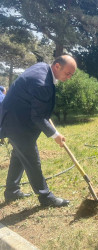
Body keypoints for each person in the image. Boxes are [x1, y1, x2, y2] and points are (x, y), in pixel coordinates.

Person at [0, 55, 77, 207]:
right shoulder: (43, 84)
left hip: (14, 118)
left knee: (18, 155)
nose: (68, 78)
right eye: (67, 73)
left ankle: (12, 191)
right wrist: (55, 135)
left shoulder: (43, 67)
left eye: (71, 75)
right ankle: (45, 197)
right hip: (17, 124)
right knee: (31, 159)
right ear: (57, 66)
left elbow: (37, 108)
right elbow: (38, 117)